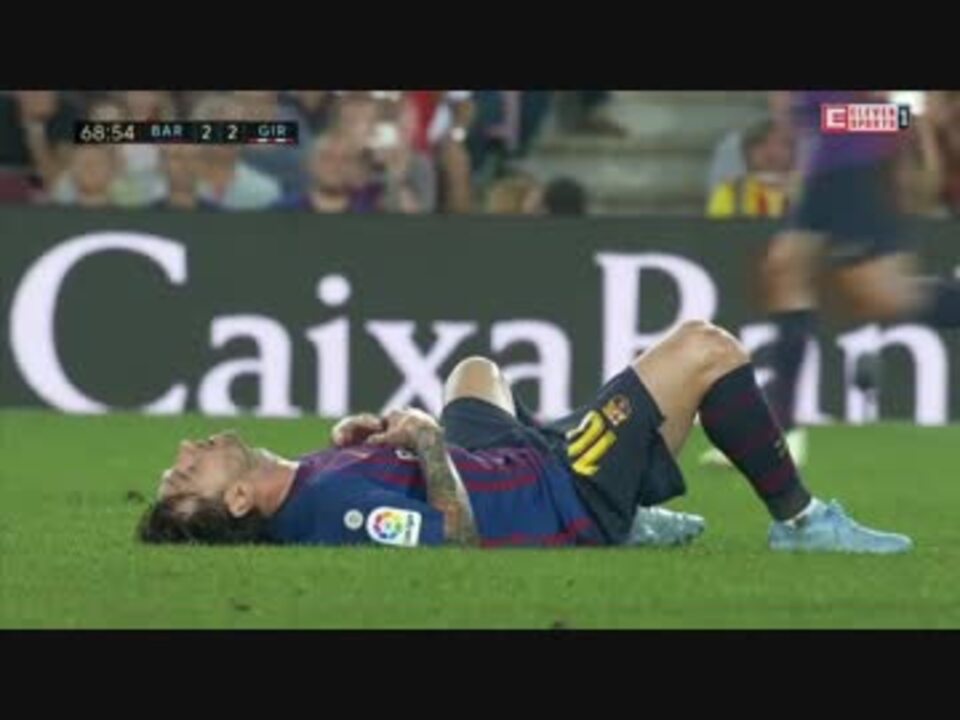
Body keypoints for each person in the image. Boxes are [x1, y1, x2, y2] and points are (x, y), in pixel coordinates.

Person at [138, 320, 910, 553]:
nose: (185, 452)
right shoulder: (334, 509)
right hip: (561, 495)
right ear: (237, 502)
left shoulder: (308, 481)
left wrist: (367, 439)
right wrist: (426, 441)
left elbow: (380, 481)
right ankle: (801, 523)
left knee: (474, 372)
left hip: (502, 458)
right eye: (186, 475)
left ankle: (627, 492)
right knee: (706, 348)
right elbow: (455, 536)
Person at [703, 91, 960, 470]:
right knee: (785, 270)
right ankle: (779, 430)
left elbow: (896, 110)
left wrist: (901, 128)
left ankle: (780, 429)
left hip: (860, 168)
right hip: (829, 169)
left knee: (885, 296)